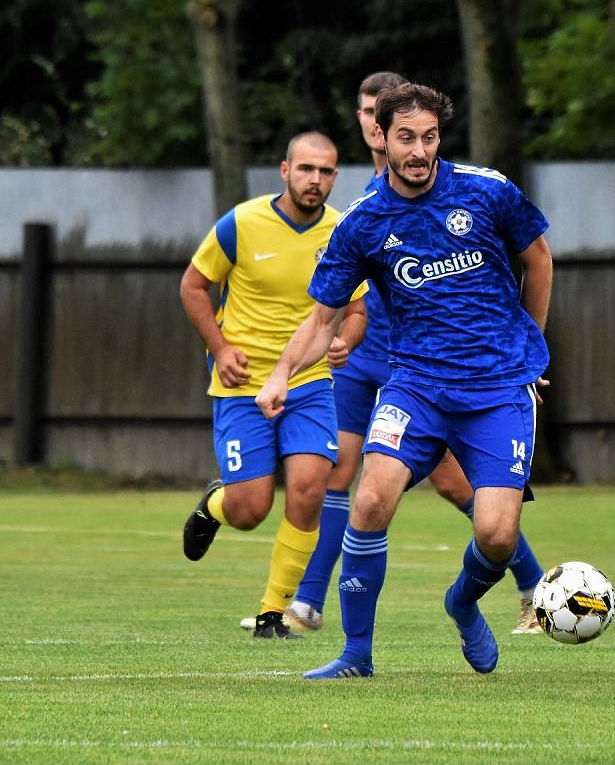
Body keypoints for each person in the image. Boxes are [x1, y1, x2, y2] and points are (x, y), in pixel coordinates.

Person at [256, 83, 553, 678]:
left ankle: (462, 603)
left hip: (497, 387)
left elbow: (539, 259)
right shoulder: (363, 223)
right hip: (414, 385)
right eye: (406, 138)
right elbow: (323, 317)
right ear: (382, 138)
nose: (419, 150)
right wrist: (283, 372)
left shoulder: (486, 189)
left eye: (429, 137)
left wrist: (531, 347)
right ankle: (355, 655)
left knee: (496, 534)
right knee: (369, 498)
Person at [180, 131, 367, 640]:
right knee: (250, 509)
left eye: (326, 171)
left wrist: (345, 341)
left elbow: (355, 311)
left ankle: (272, 612)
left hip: (309, 383)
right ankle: (214, 505)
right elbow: (194, 286)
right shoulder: (241, 223)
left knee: (309, 490)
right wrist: (220, 348)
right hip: (242, 386)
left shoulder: (343, 232)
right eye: (306, 169)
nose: (316, 180)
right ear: (284, 171)